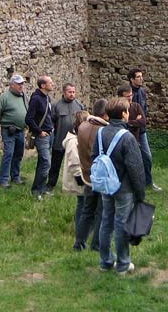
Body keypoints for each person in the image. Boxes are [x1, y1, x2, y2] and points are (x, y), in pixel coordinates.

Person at [93, 97, 145, 274]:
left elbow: (95, 157)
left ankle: (105, 261)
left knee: (106, 221)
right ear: (124, 114)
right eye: (127, 111)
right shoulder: (127, 137)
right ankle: (123, 263)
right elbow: (136, 168)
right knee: (121, 223)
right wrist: (140, 194)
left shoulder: (100, 133)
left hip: (106, 184)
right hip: (123, 187)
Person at [76, 98, 108, 252]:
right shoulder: (103, 130)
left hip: (87, 174)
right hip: (100, 175)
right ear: (105, 114)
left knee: (87, 210)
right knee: (101, 211)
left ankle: (79, 243)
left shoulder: (82, 126)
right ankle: (96, 244)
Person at [0, 74, 29, 188]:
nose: (21, 86)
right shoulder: (5, 97)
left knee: (19, 154)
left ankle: (15, 176)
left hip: (21, 130)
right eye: (19, 84)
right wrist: (2, 124)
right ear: (12, 85)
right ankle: (3, 179)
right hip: (9, 130)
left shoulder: (24, 96)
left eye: (22, 83)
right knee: (8, 153)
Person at [128, 68, 161, 192]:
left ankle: (148, 182)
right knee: (132, 158)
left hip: (141, 130)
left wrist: (141, 118)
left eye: (141, 76)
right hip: (130, 131)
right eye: (138, 77)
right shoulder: (128, 92)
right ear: (131, 79)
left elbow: (143, 112)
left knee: (147, 157)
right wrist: (135, 120)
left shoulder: (142, 91)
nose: (141, 78)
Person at [48, 83, 84, 192]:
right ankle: (50, 184)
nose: (72, 94)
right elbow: (51, 122)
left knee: (74, 164)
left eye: (73, 92)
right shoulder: (56, 106)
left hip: (74, 142)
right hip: (59, 141)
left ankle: (75, 185)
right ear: (64, 93)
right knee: (55, 165)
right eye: (69, 92)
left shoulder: (79, 106)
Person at [62, 110, 90, 250]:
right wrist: (80, 177)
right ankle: (80, 232)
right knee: (82, 204)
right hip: (77, 178)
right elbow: (73, 162)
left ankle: (82, 231)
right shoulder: (72, 141)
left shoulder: (79, 138)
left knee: (83, 204)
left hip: (81, 176)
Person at [26, 75, 55, 199]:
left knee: (43, 163)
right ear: (43, 85)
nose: (52, 84)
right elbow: (29, 119)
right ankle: (37, 191)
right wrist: (39, 131)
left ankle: (40, 189)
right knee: (46, 163)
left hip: (50, 134)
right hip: (42, 136)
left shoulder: (47, 98)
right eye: (50, 82)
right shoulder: (37, 99)